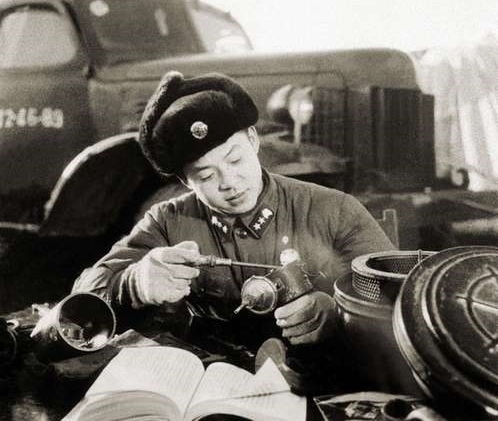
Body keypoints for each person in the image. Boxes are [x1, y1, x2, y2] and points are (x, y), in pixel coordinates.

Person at [73, 71, 394, 390]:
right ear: (186, 181)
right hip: (212, 387)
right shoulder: (167, 221)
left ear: (253, 140)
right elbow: (80, 303)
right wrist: (133, 284)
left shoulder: (333, 209)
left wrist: (338, 312)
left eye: (235, 160)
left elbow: (400, 297)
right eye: (206, 176)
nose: (229, 182)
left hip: (321, 389)